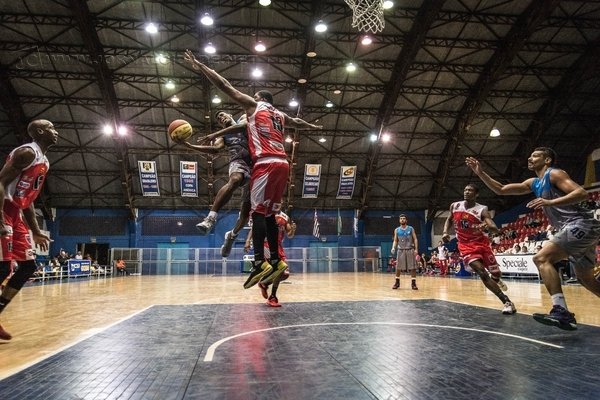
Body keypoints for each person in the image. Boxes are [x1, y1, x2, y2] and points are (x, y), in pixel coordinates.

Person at [184, 49, 322, 290]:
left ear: (259, 98)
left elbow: (225, 85)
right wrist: (311, 125)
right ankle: (277, 262)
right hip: (283, 164)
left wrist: (201, 67)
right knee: (268, 214)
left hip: (265, 163)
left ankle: (259, 264)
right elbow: (297, 123)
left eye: (255, 95)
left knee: (256, 214)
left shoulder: (254, 106)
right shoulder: (279, 114)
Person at [466, 148, 600, 330]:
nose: (530, 158)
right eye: (530, 155)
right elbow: (501, 189)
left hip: (581, 223)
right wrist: (480, 173)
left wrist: (550, 202)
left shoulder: (555, 174)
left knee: (541, 258)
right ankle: (563, 312)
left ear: (547, 160)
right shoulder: (534, 182)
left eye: (535, 155)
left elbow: (582, 194)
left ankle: (561, 311)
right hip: (577, 229)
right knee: (586, 279)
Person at [0, 119, 57, 340]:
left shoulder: (44, 161)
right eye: (51, 128)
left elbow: (27, 198)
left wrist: (35, 230)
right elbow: (1, 182)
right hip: (3, 208)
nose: (56, 132)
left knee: (28, 266)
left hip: (17, 212)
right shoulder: (26, 153)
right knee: (3, 269)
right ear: (40, 132)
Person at [442, 184, 516, 315]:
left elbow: (493, 226)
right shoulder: (455, 206)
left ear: (476, 194)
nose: (467, 192)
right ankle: (507, 302)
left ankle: (497, 280)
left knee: (496, 274)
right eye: (465, 189)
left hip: (482, 244)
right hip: (465, 246)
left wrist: (489, 228)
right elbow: (448, 220)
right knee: (482, 273)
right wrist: (444, 232)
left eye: (470, 190)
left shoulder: (482, 209)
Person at [184, 111, 252, 253]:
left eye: (222, 115)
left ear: (230, 115)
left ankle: (231, 236)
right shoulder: (223, 135)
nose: (221, 118)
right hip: (238, 162)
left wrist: (214, 134)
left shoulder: (243, 119)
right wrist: (190, 146)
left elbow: (243, 126)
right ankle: (210, 218)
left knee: (246, 214)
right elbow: (215, 149)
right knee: (235, 180)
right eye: (219, 119)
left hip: (256, 164)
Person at [245, 211, 296, 307]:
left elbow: (289, 234)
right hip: (266, 246)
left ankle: (267, 287)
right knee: (276, 269)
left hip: (278, 247)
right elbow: (254, 228)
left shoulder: (284, 217)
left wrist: (292, 230)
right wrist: (248, 241)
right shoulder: (265, 213)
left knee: (284, 274)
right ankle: (271, 295)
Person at [390, 214, 419, 290]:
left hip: (410, 249)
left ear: (406, 220)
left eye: (404, 218)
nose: (402, 220)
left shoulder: (411, 228)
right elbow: (395, 240)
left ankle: (413, 283)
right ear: (399, 220)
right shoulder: (397, 230)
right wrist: (393, 247)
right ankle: (397, 282)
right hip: (401, 250)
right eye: (401, 219)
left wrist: (416, 249)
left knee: (412, 267)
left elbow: (415, 239)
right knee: (398, 267)